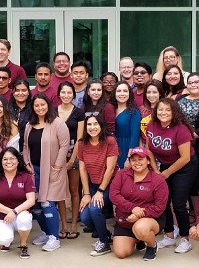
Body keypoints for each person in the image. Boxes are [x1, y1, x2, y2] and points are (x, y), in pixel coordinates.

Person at [22, 94, 70, 252]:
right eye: (36, 105)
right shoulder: (30, 124)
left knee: (47, 204)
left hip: (53, 171)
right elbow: (25, 145)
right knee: (35, 205)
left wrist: (57, 166)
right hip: (33, 171)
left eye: (43, 105)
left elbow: (64, 146)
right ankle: (46, 232)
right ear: (33, 107)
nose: (40, 108)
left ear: (48, 105)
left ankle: (54, 238)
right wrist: (27, 162)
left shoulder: (57, 123)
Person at [148, 98, 196, 254]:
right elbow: (149, 150)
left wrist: (165, 174)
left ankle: (185, 239)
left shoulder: (181, 129)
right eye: (160, 109)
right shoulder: (152, 125)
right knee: (162, 201)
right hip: (164, 166)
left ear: (174, 112)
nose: (163, 113)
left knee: (179, 203)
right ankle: (169, 236)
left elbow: (185, 158)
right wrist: (156, 170)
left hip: (185, 167)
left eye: (168, 110)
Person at [109, 146, 168, 261]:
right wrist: (132, 208)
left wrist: (139, 214)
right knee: (121, 253)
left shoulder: (158, 180)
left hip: (150, 219)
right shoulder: (122, 174)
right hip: (125, 219)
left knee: (140, 227)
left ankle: (151, 246)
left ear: (148, 161)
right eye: (133, 160)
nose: (137, 163)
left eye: (140, 159)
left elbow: (159, 207)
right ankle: (139, 240)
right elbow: (113, 195)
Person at [77, 115, 119, 256]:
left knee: (95, 209)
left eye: (96, 124)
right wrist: (87, 194)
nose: (92, 127)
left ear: (101, 126)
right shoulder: (82, 143)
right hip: (92, 184)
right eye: (89, 124)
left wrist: (100, 191)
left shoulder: (110, 141)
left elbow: (110, 169)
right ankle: (105, 234)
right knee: (85, 217)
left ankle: (104, 244)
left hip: (110, 183)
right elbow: (82, 169)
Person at [0, 147, 36, 259]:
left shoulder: (25, 176)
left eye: (12, 158)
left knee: (25, 219)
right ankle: (6, 243)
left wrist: (15, 212)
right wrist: (10, 212)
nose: (8, 162)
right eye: (5, 159)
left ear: (18, 160)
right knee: (5, 240)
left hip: (20, 214)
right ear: (1, 161)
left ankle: (23, 245)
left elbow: (31, 200)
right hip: (0, 217)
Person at [55, 81, 85, 239]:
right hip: (57, 155)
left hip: (74, 154)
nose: (66, 95)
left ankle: (74, 224)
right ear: (59, 94)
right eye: (63, 92)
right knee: (60, 191)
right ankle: (63, 225)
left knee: (74, 190)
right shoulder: (53, 111)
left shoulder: (79, 113)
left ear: (73, 94)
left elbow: (80, 139)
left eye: (69, 93)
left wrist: (72, 160)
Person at [113, 81, 142, 168]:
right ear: (114, 93)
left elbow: (135, 136)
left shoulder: (134, 112)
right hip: (111, 148)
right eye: (119, 91)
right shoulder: (110, 110)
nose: (122, 94)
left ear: (129, 94)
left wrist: (129, 157)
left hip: (126, 148)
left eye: (125, 91)